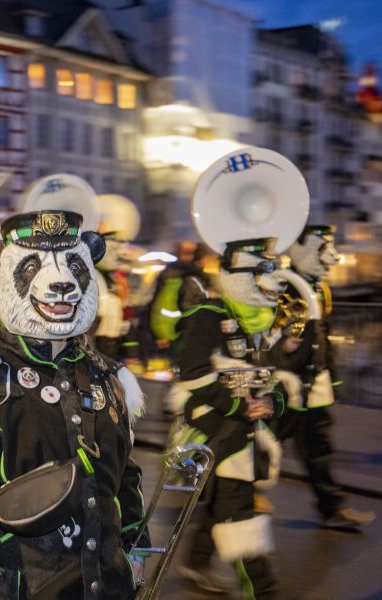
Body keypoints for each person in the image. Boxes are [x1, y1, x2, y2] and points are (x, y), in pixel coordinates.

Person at [0, 210, 149, 599]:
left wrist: (136, 544)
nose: (61, 283)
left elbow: (125, 473)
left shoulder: (110, 377)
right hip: (31, 582)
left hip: (107, 578)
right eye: (33, 267)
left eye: (74, 266)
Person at [174, 238, 285, 598]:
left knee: (225, 502)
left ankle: (196, 564)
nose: (273, 282)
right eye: (262, 272)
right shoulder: (211, 315)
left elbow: (274, 377)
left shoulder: (260, 320)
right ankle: (264, 592)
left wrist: (272, 402)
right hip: (218, 431)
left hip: (245, 433)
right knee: (239, 515)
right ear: (240, 275)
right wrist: (239, 406)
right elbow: (192, 373)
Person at [270, 225, 375, 529]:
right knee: (259, 444)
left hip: (314, 383)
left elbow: (323, 337)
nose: (333, 257)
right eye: (322, 248)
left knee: (317, 446)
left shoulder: (320, 290)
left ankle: (331, 509)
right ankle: (221, 504)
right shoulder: (283, 288)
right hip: (287, 383)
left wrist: (333, 377)